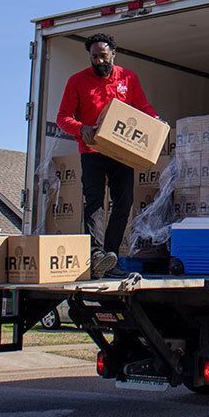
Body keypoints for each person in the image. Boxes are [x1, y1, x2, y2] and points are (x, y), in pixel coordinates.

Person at [57, 33, 158, 277]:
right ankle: (96, 254)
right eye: (94, 57)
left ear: (113, 53)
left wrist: (155, 122)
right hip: (91, 151)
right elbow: (63, 118)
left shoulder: (127, 78)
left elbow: (142, 107)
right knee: (94, 202)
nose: (100, 61)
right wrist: (82, 129)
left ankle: (110, 258)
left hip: (121, 152)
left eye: (103, 56)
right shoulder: (77, 81)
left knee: (123, 203)